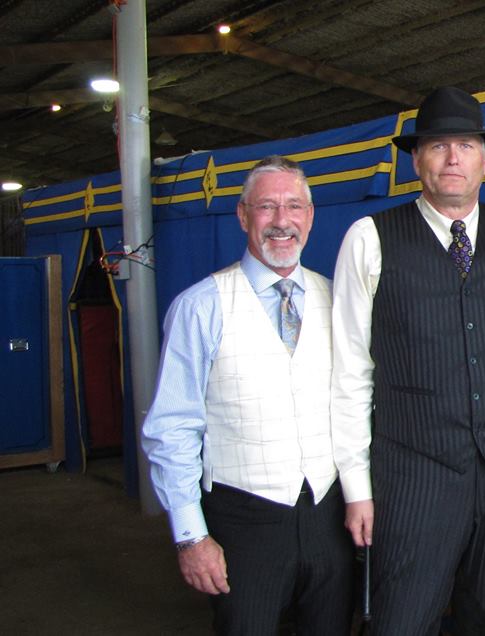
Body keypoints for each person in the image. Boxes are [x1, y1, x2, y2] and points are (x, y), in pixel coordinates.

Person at [331, 86, 485, 635]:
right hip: (412, 476)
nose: (453, 157)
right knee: (400, 623)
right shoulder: (369, 239)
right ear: (417, 160)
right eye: (439, 146)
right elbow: (349, 374)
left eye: (466, 145)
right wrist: (355, 487)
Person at [141, 155, 354, 634]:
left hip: (328, 516)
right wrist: (190, 536)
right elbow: (171, 428)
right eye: (267, 207)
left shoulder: (338, 298)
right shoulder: (200, 307)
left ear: (311, 217)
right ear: (242, 216)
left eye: (294, 207)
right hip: (243, 521)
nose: (282, 221)